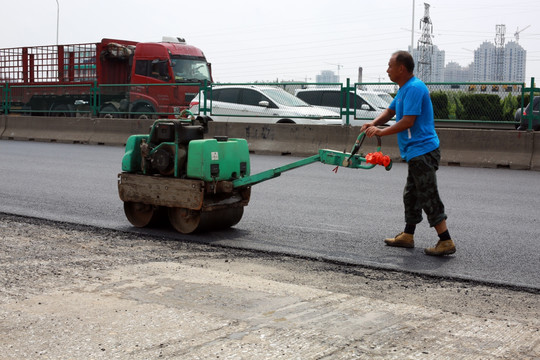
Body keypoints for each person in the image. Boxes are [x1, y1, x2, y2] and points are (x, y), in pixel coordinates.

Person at [360, 50, 456, 256]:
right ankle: (408, 235)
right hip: (415, 152)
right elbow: (391, 111)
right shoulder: (404, 89)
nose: (387, 70)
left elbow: (408, 121)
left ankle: (446, 240)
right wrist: (373, 123)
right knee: (411, 195)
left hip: (424, 151)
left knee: (428, 195)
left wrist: (382, 132)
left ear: (401, 68)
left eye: (390, 66)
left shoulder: (414, 88)